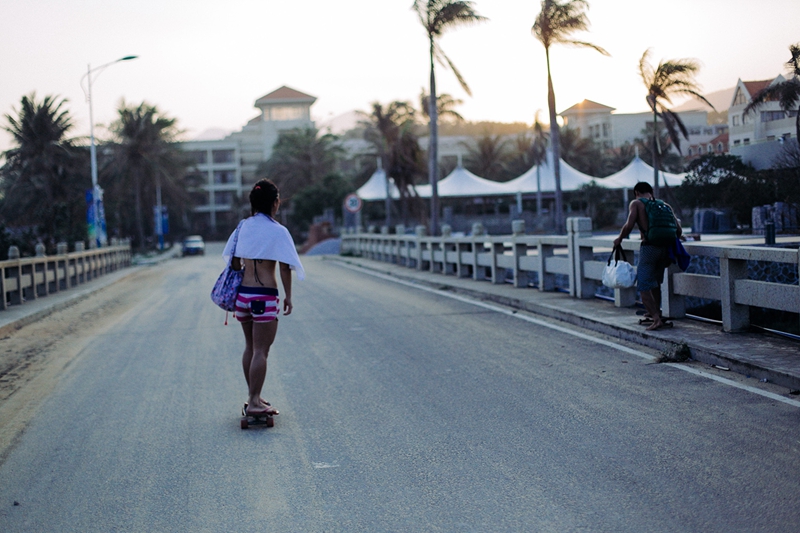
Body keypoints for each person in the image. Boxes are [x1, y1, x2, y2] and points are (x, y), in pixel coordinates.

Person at [222, 179, 305, 416]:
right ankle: (256, 401)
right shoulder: (278, 231)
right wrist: (288, 296)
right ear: (275, 203)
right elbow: (285, 267)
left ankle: (254, 396)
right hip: (265, 296)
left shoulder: (241, 228)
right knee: (261, 351)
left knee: (250, 346)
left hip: (243, 297)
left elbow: (234, 262)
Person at [613, 181, 681, 331]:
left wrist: (619, 239)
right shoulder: (664, 205)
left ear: (636, 192)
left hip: (649, 248)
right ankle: (655, 313)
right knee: (655, 283)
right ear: (651, 192)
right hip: (665, 250)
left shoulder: (636, 204)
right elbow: (679, 230)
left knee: (644, 285)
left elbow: (629, 225)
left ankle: (656, 319)